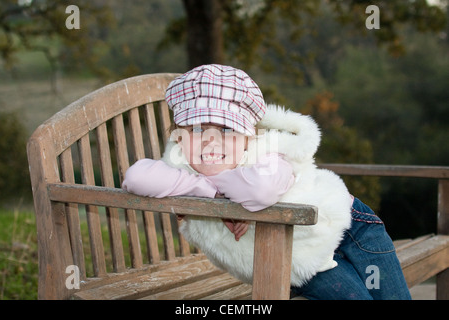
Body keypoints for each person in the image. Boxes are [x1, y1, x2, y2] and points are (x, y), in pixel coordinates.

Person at [122, 64, 411, 300]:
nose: (211, 139)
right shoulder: (182, 164)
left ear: (249, 135)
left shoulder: (268, 152)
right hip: (296, 261)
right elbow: (136, 177)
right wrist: (207, 190)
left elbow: (260, 190)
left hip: (351, 227)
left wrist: (221, 194)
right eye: (196, 128)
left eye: (226, 128)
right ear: (179, 136)